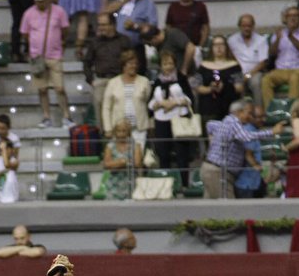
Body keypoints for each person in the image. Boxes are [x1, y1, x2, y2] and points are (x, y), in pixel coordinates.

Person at [201, 98, 286, 200]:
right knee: (228, 207)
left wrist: (212, 141)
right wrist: (272, 132)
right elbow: (246, 137)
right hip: (218, 172)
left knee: (210, 207)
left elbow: (210, 125)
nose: (250, 117)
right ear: (239, 112)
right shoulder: (233, 122)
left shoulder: (227, 121)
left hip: (213, 170)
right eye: (249, 113)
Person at [20, 0, 72, 130]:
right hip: (37, 57)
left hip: (55, 55)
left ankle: (66, 116)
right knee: (42, 89)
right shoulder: (28, 13)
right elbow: (25, 33)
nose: (40, 3)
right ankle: (46, 116)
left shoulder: (59, 11)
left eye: (42, 0)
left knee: (59, 88)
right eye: (37, 1)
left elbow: (65, 29)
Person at [148, 50, 195, 189]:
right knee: (163, 154)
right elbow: (150, 103)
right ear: (160, 66)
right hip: (161, 120)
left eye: (170, 63)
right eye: (165, 64)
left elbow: (190, 99)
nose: (168, 66)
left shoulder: (181, 78)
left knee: (182, 155)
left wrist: (175, 102)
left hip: (179, 119)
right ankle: (166, 186)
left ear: (175, 64)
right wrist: (160, 104)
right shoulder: (157, 81)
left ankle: (184, 185)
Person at [262, 6, 299, 107]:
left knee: (295, 78)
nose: (292, 18)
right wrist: (277, 40)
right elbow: (272, 54)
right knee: (266, 79)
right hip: (280, 70)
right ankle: (270, 111)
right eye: (290, 16)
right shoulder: (279, 34)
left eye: (295, 16)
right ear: (285, 19)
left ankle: (292, 111)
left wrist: (291, 37)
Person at [101, 50, 150, 143]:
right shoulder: (112, 83)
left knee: (138, 152)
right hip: (119, 130)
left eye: (135, 63)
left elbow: (146, 100)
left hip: (139, 129)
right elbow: (106, 107)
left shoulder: (145, 81)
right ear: (123, 65)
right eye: (130, 63)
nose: (134, 66)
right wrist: (108, 128)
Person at [196, 35, 242, 129]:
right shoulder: (203, 66)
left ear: (226, 47)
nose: (219, 47)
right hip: (209, 103)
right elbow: (198, 87)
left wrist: (225, 86)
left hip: (228, 102)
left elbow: (239, 87)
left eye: (221, 44)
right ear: (211, 48)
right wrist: (210, 89)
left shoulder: (234, 65)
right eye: (216, 45)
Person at [228, 14, 269, 108]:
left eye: (249, 26)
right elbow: (230, 58)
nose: (246, 28)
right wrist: (240, 74)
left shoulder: (261, 40)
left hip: (255, 72)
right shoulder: (232, 40)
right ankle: (239, 111)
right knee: (236, 83)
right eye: (244, 26)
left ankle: (259, 110)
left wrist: (248, 75)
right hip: (237, 72)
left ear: (253, 26)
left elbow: (263, 63)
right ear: (239, 26)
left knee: (256, 83)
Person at [104, 123, 142, 201]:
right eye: (119, 131)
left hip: (131, 182)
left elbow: (137, 163)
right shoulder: (109, 146)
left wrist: (117, 163)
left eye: (124, 131)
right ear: (115, 132)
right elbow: (107, 165)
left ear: (128, 132)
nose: (121, 134)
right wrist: (124, 162)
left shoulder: (136, 145)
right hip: (113, 183)